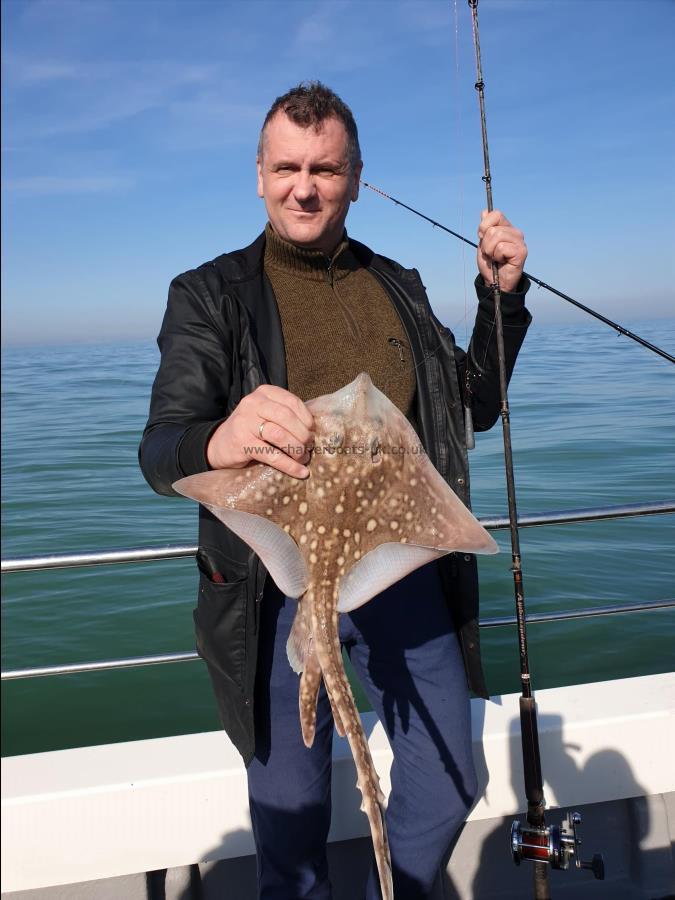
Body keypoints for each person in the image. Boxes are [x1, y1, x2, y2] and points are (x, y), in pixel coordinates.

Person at [139, 81, 530, 899]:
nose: (304, 186)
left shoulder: (398, 283)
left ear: (356, 176)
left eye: (324, 168)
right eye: (287, 167)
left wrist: (502, 299)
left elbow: (476, 405)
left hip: (400, 572)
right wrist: (222, 436)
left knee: (451, 774)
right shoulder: (208, 296)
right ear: (258, 174)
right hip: (275, 585)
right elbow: (161, 448)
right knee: (290, 810)